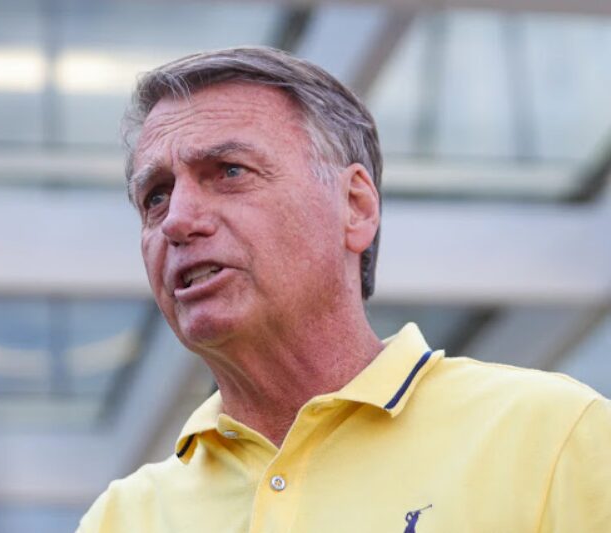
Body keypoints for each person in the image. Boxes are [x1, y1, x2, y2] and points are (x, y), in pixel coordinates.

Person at [77, 47, 611, 532]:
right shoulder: (121, 519)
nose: (177, 219)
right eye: (155, 197)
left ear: (355, 206)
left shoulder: (556, 437)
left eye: (230, 171)